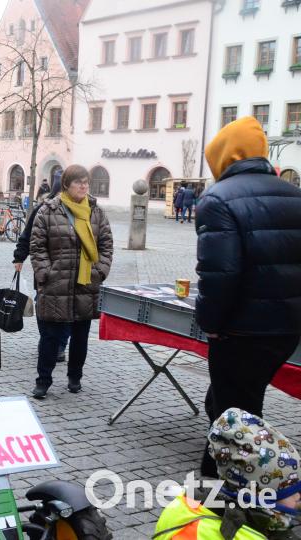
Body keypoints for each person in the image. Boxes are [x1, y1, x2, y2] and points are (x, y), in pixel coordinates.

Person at [196, 116, 301, 479]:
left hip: (240, 331)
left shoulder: (217, 199)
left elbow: (219, 274)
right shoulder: (294, 194)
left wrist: (210, 324)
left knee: (232, 415)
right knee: (236, 402)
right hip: (286, 328)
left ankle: (222, 495)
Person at [28, 164, 113, 399]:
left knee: (80, 337)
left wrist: (100, 271)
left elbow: (106, 244)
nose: (84, 186)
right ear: (66, 185)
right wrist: (46, 273)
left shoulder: (96, 211)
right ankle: (43, 380)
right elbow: (37, 246)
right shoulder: (48, 211)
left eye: (86, 182)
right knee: (50, 337)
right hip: (57, 284)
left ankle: (75, 377)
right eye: (78, 182)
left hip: (85, 284)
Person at [154, 408, 301, 539]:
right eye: (291, 490)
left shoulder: (185, 505)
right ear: (258, 496)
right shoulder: (245, 536)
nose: (298, 496)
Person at [14, 177, 70, 365]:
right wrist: (19, 256)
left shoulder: (81, 210)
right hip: (46, 269)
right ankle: (47, 339)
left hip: (70, 271)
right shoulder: (42, 210)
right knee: (42, 306)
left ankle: (60, 345)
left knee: (68, 310)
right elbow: (27, 235)